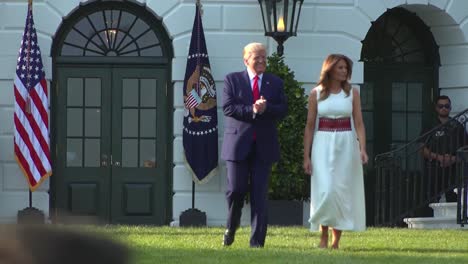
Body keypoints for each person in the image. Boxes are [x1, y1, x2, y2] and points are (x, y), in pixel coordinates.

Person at [221, 42, 287, 248]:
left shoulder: (275, 82)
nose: (261, 60)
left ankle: (257, 243)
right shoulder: (232, 80)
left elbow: (283, 109)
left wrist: (266, 108)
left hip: (263, 147)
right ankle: (231, 228)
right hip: (237, 145)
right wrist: (252, 109)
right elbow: (228, 108)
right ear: (246, 60)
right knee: (236, 190)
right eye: (256, 57)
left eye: (263, 57)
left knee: (259, 193)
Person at [303, 54, 368, 249]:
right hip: (322, 144)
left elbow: (358, 122)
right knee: (326, 190)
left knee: (340, 190)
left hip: (346, 144)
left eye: (346, 68)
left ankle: (336, 241)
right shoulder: (316, 93)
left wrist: (362, 148)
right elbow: (309, 125)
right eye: (340, 67)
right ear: (330, 69)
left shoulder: (352, 93)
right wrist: (306, 156)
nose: (344, 71)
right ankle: (323, 235)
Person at [420, 95, 467, 209]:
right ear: (436, 108)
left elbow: (465, 148)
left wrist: (453, 159)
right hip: (433, 168)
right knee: (431, 198)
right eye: (441, 106)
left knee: (453, 197)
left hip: (453, 169)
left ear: (450, 108)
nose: (444, 108)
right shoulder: (430, 125)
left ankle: (456, 224)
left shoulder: (457, 126)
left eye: (446, 106)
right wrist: (439, 157)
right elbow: (422, 148)